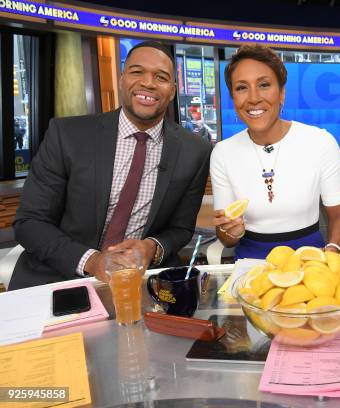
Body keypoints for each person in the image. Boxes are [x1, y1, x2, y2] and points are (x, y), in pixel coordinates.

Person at [10, 41, 212, 290]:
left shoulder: (195, 151)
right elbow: (30, 222)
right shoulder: (67, 135)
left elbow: (180, 229)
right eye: (137, 72)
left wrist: (152, 247)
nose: (148, 83)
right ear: (122, 79)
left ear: (171, 91)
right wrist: (93, 261)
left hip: (139, 281)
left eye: (161, 77)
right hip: (56, 276)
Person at [211, 45, 340, 259]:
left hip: (309, 258)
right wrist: (231, 231)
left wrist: (331, 252)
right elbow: (226, 239)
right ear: (233, 98)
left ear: (282, 92)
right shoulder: (222, 153)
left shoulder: (321, 142)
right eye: (241, 88)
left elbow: (339, 217)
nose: (254, 98)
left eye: (264, 85)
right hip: (250, 263)